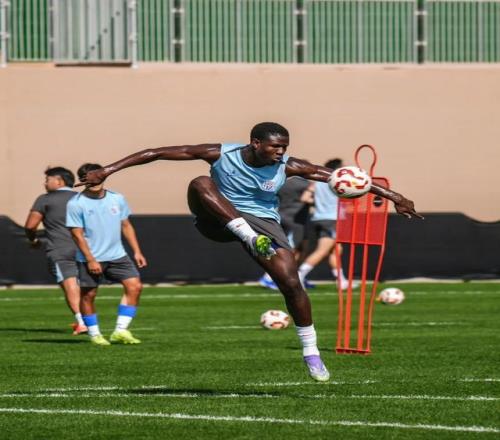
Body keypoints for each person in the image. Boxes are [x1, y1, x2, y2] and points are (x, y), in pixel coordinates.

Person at [77, 122, 421, 380]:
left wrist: (395, 197)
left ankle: (311, 352)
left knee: (291, 283)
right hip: (217, 218)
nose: (280, 152)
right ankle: (245, 233)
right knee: (199, 182)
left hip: (263, 224)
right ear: (255, 143)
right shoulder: (221, 153)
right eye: (275, 146)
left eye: (284, 147)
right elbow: (156, 153)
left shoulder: (288, 165)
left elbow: (333, 175)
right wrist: (108, 169)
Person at [66, 163, 147, 346]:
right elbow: (77, 234)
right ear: (82, 180)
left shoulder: (117, 198)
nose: (94, 180)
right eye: (88, 177)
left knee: (135, 287)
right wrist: (90, 259)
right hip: (90, 258)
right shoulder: (76, 203)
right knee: (88, 295)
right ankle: (95, 334)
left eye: (97, 175)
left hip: (118, 256)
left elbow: (126, 225)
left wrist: (137, 251)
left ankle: (121, 330)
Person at [24, 167, 87, 335]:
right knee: (85, 286)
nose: (44, 183)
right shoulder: (83, 198)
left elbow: (30, 226)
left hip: (61, 250)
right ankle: (90, 321)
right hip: (87, 250)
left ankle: (82, 322)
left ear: (59, 181)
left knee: (69, 283)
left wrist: (33, 240)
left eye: (47, 180)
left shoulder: (45, 199)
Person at [298, 158, 351, 289]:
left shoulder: (317, 182)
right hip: (331, 219)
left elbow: (304, 198)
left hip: (319, 218)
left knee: (336, 250)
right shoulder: (338, 182)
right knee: (321, 251)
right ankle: (298, 276)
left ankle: (342, 281)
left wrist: (320, 203)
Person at [259, 175, 311, 290]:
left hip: (281, 216)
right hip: (296, 219)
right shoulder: (304, 184)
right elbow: (310, 197)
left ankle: (298, 277)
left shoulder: (282, 182)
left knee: (300, 247)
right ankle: (268, 277)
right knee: (291, 249)